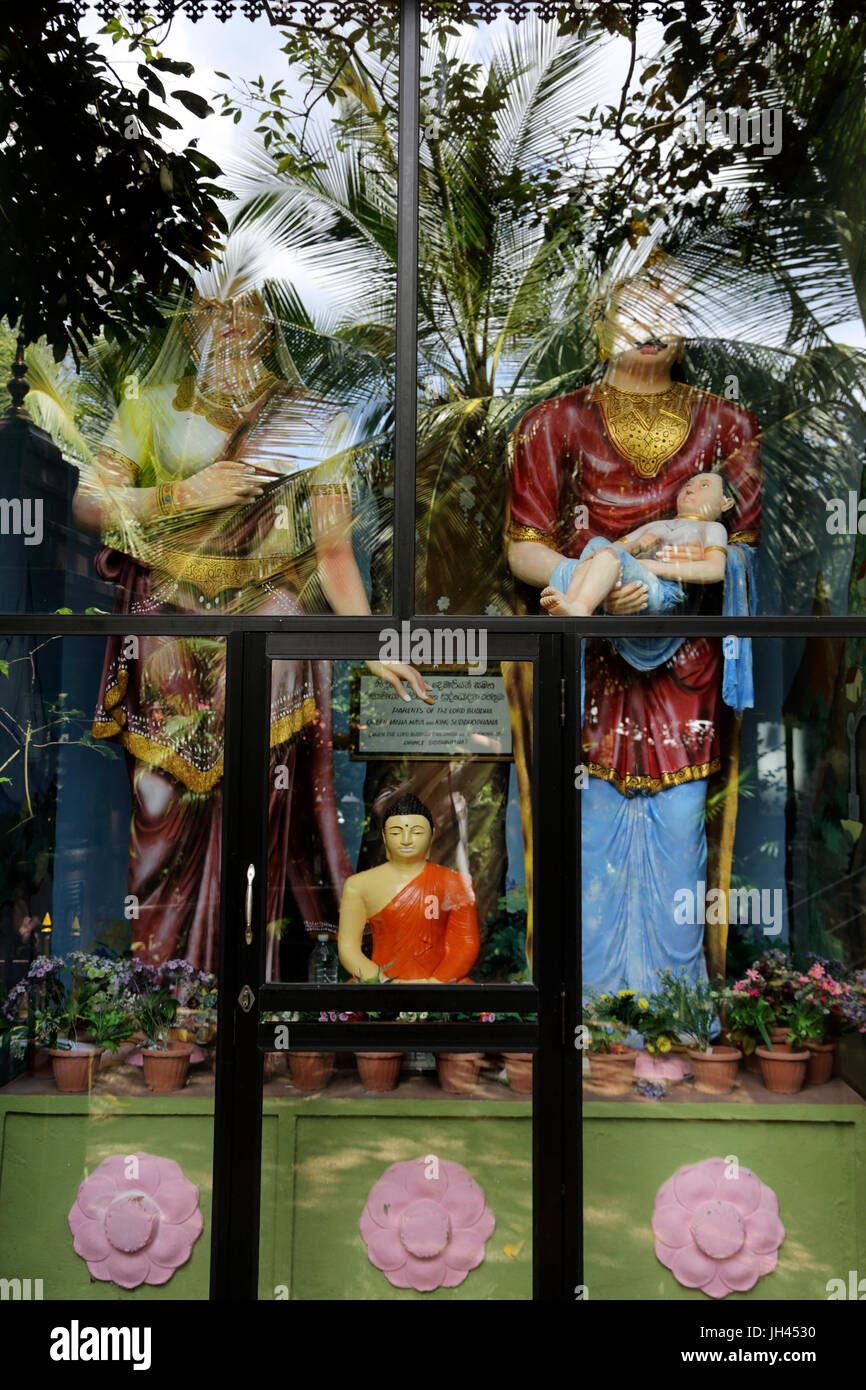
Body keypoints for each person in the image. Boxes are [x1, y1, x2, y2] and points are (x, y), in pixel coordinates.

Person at [73, 278, 430, 974]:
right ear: (191, 321)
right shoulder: (150, 409)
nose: (230, 322)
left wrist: (373, 641)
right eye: (211, 307)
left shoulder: (312, 417)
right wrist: (182, 492)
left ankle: (247, 998)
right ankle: (159, 1004)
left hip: (269, 628)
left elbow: (332, 552)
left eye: (246, 307)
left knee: (259, 812)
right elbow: (90, 502)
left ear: (270, 323)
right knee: (159, 812)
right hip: (167, 631)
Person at [505, 257, 761, 998]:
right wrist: (584, 587)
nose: (650, 325)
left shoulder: (727, 427)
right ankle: (580, 1007)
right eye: (633, 307)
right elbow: (523, 548)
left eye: (670, 308)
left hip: (685, 663)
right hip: (589, 663)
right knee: (584, 825)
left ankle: (674, 1007)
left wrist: (659, 592)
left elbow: (740, 564)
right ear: (598, 321)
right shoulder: (553, 422)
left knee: (683, 828)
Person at [539, 469, 733, 617]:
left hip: (663, 590)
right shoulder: (656, 526)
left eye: (704, 485)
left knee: (606, 553)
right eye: (688, 484)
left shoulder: (712, 528)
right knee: (597, 543)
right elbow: (610, 549)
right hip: (634, 575)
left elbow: (715, 570)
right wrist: (636, 546)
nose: (691, 488)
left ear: (726, 503)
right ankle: (572, 600)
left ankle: (580, 608)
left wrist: (652, 566)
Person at [338, 794, 480, 982]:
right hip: (380, 985)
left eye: (417, 832)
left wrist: (435, 982)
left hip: (442, 984)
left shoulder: (455, 883)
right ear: (384, 836)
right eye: (396, 832)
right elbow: (348, 949)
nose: (406, 839)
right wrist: (383, 982)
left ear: (432, 835)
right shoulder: (358, 885)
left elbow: (465, 944)